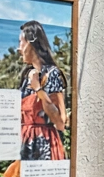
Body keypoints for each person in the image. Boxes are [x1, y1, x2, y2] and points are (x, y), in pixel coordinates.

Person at [18, 21, 68, 160]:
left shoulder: (52, 74)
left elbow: (59, 119)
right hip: (26, 142)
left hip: (44, 144)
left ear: (31, 43)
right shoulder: (25, 76)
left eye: (21, 42)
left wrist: (38, 89)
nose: (19, 48)